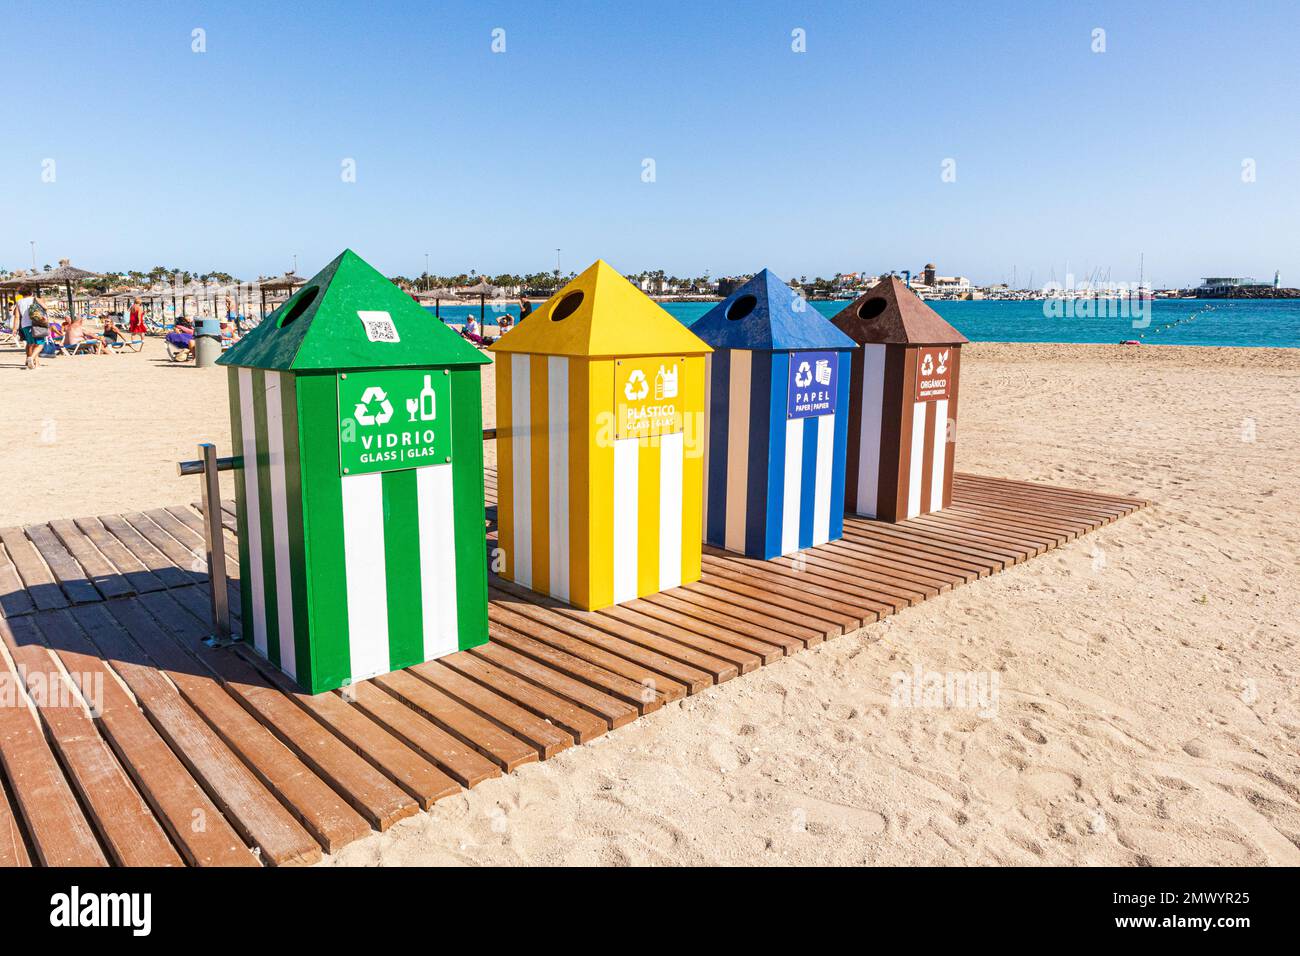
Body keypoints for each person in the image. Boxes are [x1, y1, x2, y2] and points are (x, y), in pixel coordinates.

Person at [13, 293, 44, 369]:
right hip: (36, 323)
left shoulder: (19, 302)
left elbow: (16, 316)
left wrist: (14, 328)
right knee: (40, 344)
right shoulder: (36, 299)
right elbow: (45, 308)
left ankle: (36, 363)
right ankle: (31, 358)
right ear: (31, 292)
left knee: (31, 344)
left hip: (24, 325)